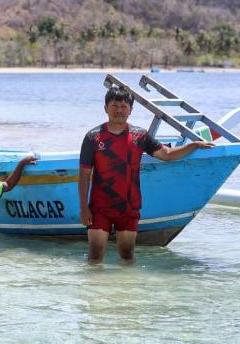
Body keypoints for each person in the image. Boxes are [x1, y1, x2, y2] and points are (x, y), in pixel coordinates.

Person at [78, 87, 215, 265]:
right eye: (114, 106)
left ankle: (126, 291)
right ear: (106, 108)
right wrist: (83, 208)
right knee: (95, 257)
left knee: (127, 257)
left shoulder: (140, 136)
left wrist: (194, 145)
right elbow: (84, 174)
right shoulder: (93, 137)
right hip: (99, 208)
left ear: (130, 110)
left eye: (123, 106)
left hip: (128, 208)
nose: (119, 110)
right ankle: (93, 292)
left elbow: (166, 154)